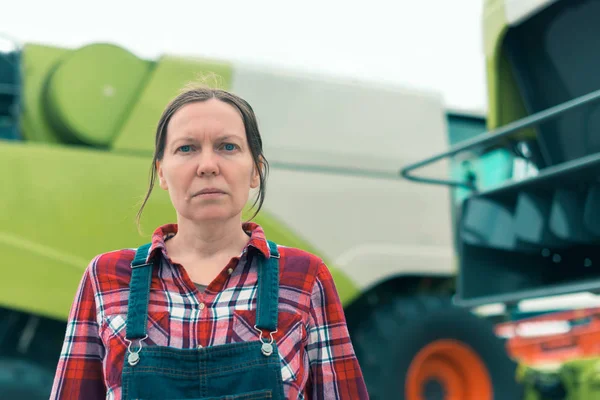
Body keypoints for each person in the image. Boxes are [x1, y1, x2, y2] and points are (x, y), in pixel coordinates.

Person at [49, 85, 369, 399]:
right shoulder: (106, 278)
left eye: (227, 147)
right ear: (162, 172)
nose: (207, 166)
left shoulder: (303, 278)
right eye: (186, 148)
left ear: (256, 170)